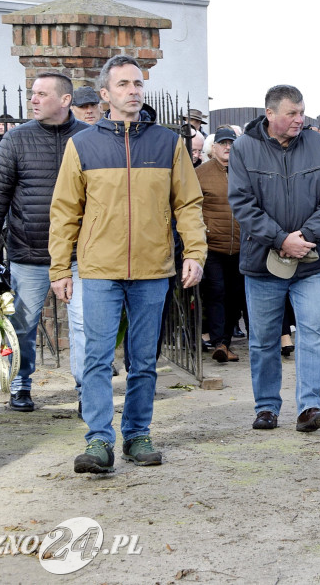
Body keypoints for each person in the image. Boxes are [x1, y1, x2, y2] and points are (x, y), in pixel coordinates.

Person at [49, 54, 206, 474]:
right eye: (123, 85)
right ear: (105, 94)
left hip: (153, 268)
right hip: (99, 268)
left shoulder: (168, 143)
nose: (133, 91)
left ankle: (137, 434)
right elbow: (65, 210)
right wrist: (60, 268)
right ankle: (99, 440)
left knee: (143, 359)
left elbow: (188, 204)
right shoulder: (81, 144)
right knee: (97, 358)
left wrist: (194, 252)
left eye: (138, 83)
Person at [0, 72, 88, 413]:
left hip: (81, 253)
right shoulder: (16, 140)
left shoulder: (89, 138)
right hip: (29, 251)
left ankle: (86, 391)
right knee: (21, 324)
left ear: (65, 100)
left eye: (40, 94)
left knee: (84, 326)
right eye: (31, 94)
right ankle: (20, 385)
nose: (32, 100)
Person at [228, 85, 320, 434]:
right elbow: (242, 204)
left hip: (312, 262)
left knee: (313, 334)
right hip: (262, 264)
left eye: (302, 112)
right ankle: (266, 408)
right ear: (270, 114)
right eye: (292, 113)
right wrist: (280, 239)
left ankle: (309, 407)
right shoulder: (244, 148)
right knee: (262, 339)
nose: (300, 119)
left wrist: (303, 238)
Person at [196, 126, 244, 364]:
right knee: (216, 293)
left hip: (241, 247)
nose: (227, 147)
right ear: (213, 147)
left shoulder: (244, 171)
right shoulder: (201, 173)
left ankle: (224, 342)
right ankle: (219, 343)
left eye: (231, 143)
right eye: (223, 143)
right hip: (212, 246)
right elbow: (191, 207)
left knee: (235, 296)